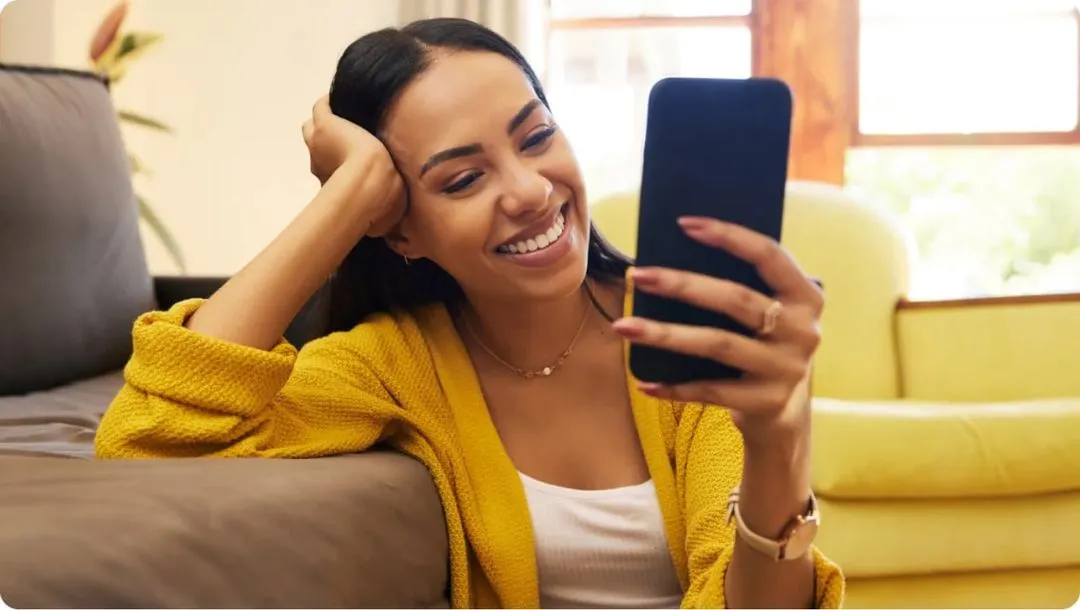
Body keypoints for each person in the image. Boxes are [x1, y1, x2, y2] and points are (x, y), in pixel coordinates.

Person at [94, 17, 843, 610]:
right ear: (402, 230)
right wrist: (348, 193)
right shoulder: (396, 365)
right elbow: (150, 436)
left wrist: (779, 441)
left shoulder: (682, 334)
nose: (527, 191)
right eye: (462, 179)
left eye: (537, 137)